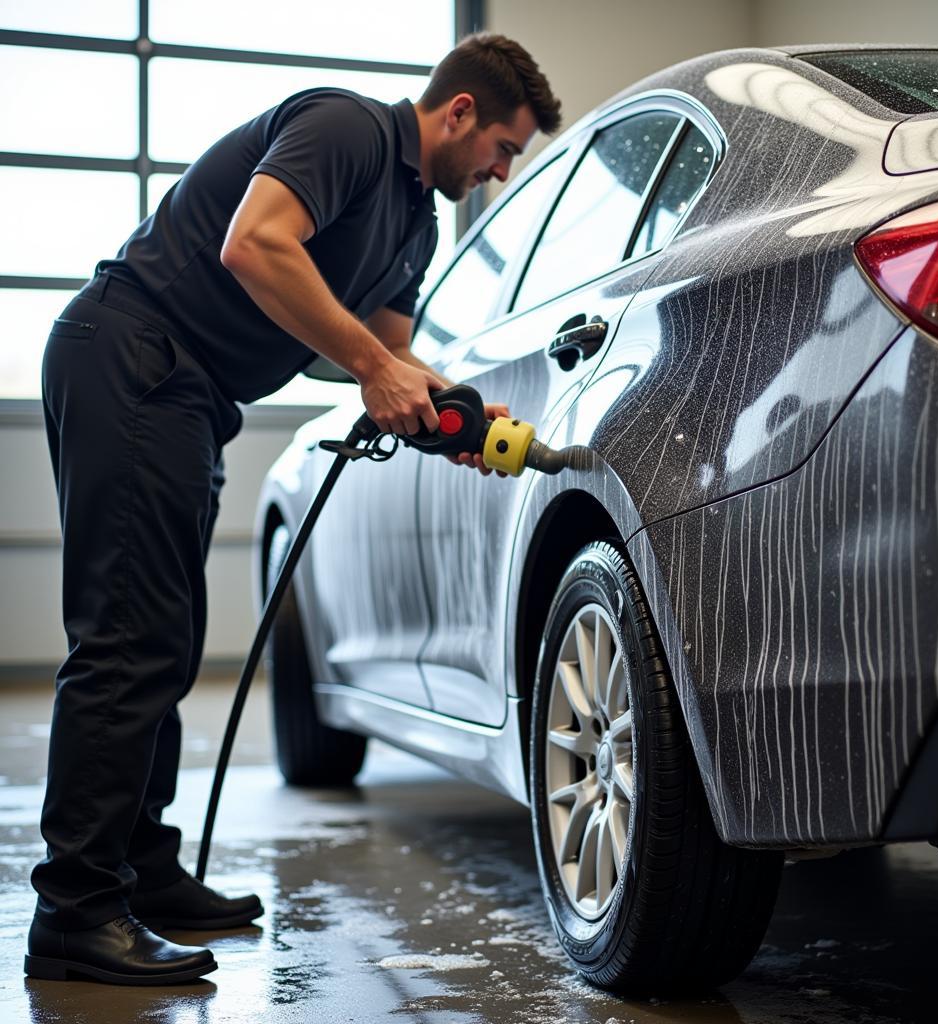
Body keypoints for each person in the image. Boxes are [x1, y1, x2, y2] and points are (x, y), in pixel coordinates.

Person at [26, 32, 562, 986]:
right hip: (129, 354)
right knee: (128, 639)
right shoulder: (347, 127)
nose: (498, 172)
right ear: (462, 113)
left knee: (167, 641)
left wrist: (467, 424)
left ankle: (139, 870)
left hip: (188, 396)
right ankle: (75, 911)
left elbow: (387, 365)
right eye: (504, 150)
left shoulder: (415, 227)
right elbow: (255, 243)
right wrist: (374, 366)